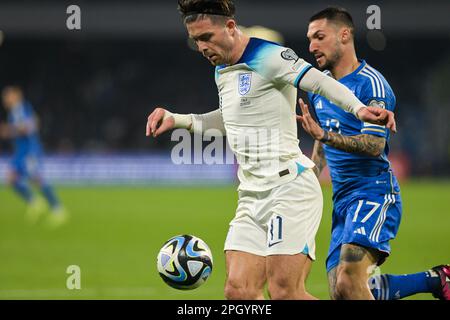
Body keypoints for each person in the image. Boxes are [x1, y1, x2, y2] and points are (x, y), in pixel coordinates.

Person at [146, 0, 396, 300]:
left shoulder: (268, 55)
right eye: (196, 40)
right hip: (251, 196)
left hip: (288, 189)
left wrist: (358, 109)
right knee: (239, 292)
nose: (202, 47)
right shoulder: (222, 70)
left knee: (284, 293)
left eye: (206, 37)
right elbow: (231, 119)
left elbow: (317, 82)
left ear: (229, 27)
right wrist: (177, 119)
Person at [298, 7, 449, 300]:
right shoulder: (319, 88)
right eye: (309, 39)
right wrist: (309, 178)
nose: (311, 46)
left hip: (373, 193)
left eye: (319, 37)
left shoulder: (371, 84)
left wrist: (324, 135)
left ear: (344, 35)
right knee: (343, 292)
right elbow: (323, 141)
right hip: (342, 200)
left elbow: (373, 145)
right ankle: (434, 279)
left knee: (349, 279)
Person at [0, 86, 69, 228]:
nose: (5, 99)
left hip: (29, 151)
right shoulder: (15, 111)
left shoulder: (20, 109)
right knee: (10, 179)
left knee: (36, 178)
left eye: (7, 96)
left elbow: (29, 127)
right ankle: (35, 202)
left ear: (16, 96)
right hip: (21, 152)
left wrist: (8, 130)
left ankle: (58, 210)